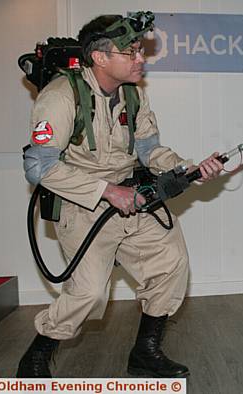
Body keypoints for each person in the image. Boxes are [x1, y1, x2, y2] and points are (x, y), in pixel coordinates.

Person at [17, 13, 223, 378]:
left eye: (140, 51)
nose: (141, 59)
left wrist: (187, 169)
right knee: (89, 295)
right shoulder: (60, 96)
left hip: (131, 198)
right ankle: (37, 354)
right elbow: (39, 167)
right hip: (83, 202)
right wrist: (106, 191)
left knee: (170, 263)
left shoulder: (134, 94)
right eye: (131, 52)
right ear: (99, 58)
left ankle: (145, 352)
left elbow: (149, 152)